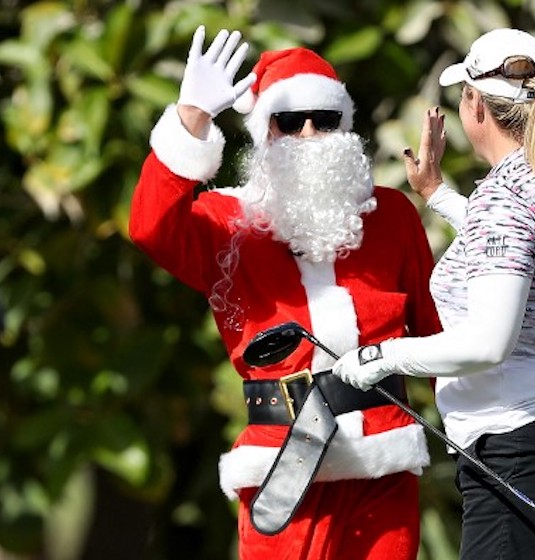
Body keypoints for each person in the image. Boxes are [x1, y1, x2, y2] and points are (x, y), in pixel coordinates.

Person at [129, 26, 441, 560]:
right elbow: (150, 227)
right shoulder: (227, 222)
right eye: (289, 121)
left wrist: (494, 436)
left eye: (325, 120)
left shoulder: (391, 215)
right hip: (282, 468)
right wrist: (191, 118)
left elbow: (437, 338)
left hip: (384, 461)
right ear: (263, 132)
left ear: (345, 125)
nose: (309, 134)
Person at [333, 28, 535, 560]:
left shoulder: (506, 197)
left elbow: (487, 344)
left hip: (522, 450)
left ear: (474, 106)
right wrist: (439, 195)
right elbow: (506, 252)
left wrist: (381, 356)